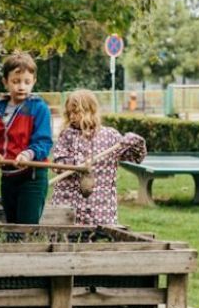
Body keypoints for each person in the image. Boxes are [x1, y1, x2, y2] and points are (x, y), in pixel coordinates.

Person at [50, 90, 146, 225]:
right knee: (66, 235)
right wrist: (80, 165)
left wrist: (137, 144)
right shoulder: (66, 136)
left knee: (98, 237)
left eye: (76, 112)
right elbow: (59, 163)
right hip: (68, 200)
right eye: (69, 113)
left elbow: (135, 158)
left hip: (100, 205)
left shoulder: (110, 136)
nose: (72, 117)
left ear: (90, 111)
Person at [0, 52, 53, 224]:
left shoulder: (39, 108)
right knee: (11, 226)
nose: (21, 87)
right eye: (16, 81)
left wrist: (27, 155)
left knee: (26, 227)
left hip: (32, 175)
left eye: (27, 82)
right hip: (8, 176)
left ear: (34, 81)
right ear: (5, 81)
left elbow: (44, 142)